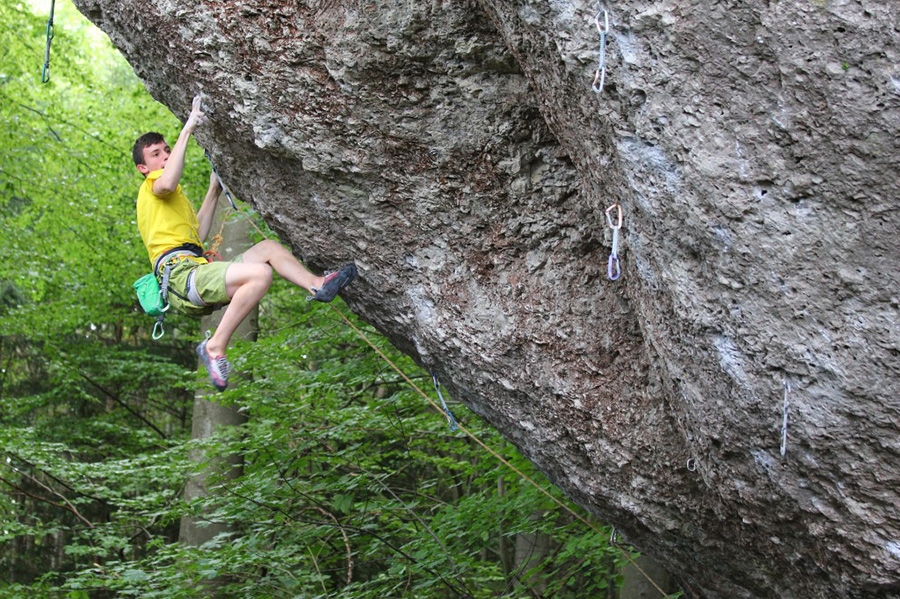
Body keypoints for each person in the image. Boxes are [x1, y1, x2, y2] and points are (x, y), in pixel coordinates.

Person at [133, 94, 356, 392]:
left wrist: (213, 190)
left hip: (192, 268)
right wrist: (187, 129)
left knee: (269, 249)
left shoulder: (172, 200)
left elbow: (196, 235)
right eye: (156, 155)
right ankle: (215, 346)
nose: (165, 156)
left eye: (167, 150)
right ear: (144, 168)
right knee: (260, 274)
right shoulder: (152, 188)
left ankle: (317, 285)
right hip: (180, 276)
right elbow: (168, 181)